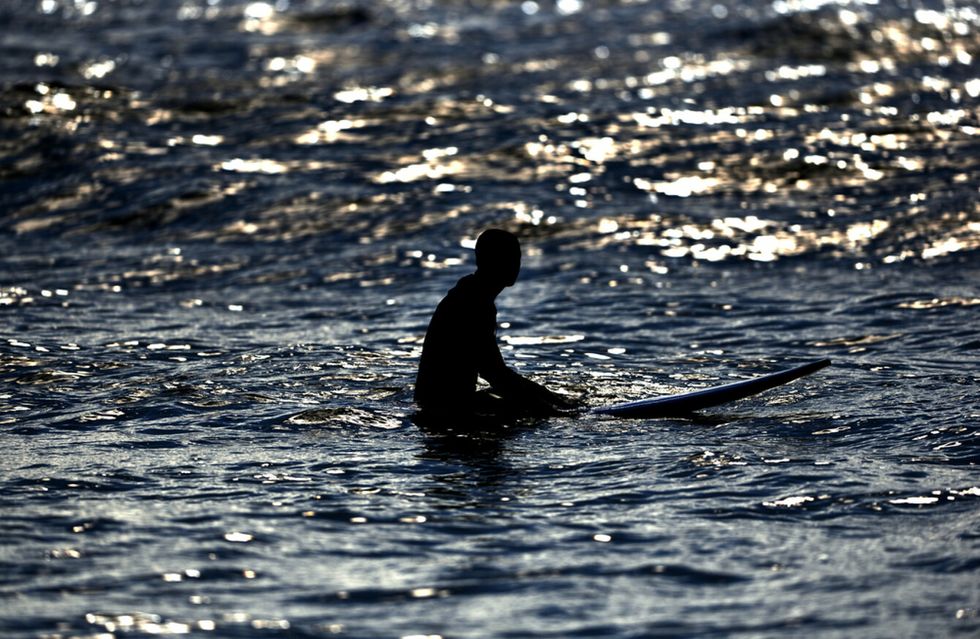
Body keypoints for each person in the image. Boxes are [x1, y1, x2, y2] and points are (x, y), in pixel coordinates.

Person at [414, 229, 578, 418]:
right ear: (484, 260)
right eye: (507, 257)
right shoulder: (472, 302)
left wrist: (554, 399)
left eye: (516, 256)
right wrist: (555, 406)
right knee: (538, 412)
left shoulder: (472, 295)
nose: (515, 264)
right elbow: (495, 374)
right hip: (443, 409)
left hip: (440, 404)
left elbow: (495, 373)